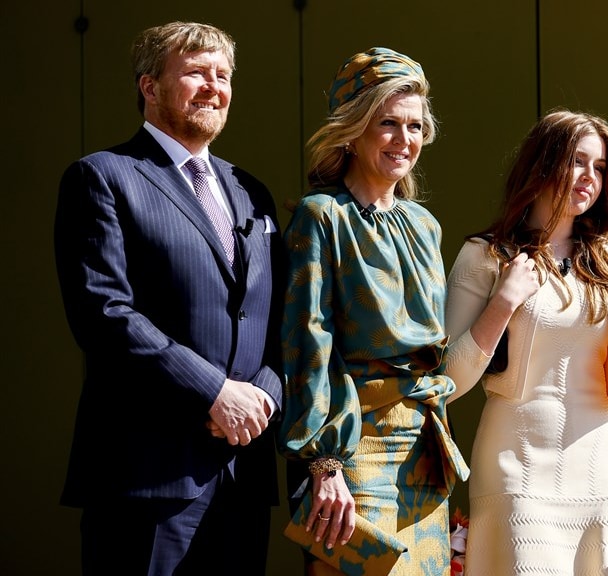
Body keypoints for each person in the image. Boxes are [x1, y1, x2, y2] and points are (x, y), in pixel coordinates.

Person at [53, 22, 284, 575]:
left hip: (241, 475)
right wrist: (213, 392)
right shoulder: (104, 177)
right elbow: (103, 313)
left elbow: (277, 319)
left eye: (223, 76)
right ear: (150, 87)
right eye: (196, 73)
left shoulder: (253, 190)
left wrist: (265, 398)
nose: (214, 87)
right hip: (146, 476)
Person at [445, 110, 608, 575]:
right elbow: (447, 379)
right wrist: (503, 303)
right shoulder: (484, 256)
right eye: (577, 161)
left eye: (601, 167)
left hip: (601, 480)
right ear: (543, 164)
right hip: (515, 473)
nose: (590, 177)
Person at [277, 47, 468, 576]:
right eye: (387, 123)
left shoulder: (424, 225)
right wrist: (324, 463)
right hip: (354, 446)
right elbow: (308, 344)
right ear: (353, 131)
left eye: (414, 126)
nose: (404, 140)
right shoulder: (321, 217)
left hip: (425, 447)